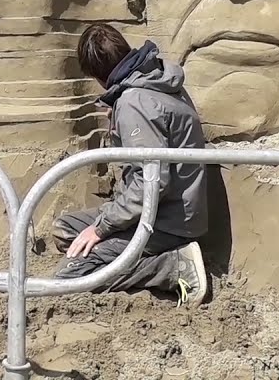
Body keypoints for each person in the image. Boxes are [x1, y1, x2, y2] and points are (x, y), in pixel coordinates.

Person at [52, 22, 209, 305]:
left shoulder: (134, 101)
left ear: (98, 76)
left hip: (168, 221)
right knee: (66, 230)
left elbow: (151, 183)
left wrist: (102, 228)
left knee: (71, 275)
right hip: (170, 210)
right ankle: (150, 258)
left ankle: (173, 266)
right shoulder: (156, 79)